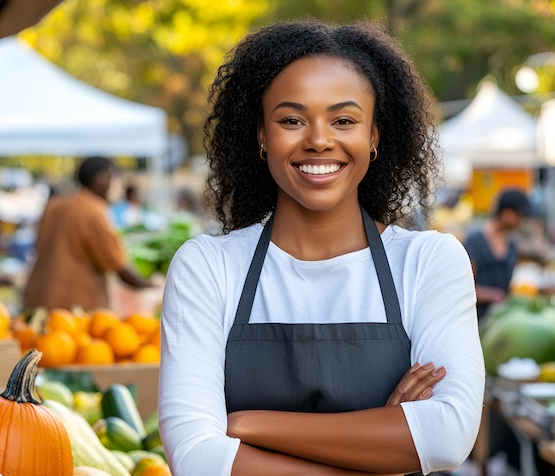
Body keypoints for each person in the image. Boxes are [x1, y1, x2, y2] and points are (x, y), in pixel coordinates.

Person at [157, 20, 484, 475]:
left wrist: (248, 425)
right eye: (291, 120)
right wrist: (384, 446)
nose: (318, 139)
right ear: (260, 136)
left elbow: (448, 436)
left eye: (344, 120)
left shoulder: (428, 262)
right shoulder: (207, 268)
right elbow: (196, 460)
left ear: (373, 137)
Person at [23, 156, 152, 311]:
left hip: (38, 300)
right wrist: (150, 284)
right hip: (74, 309)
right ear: (101, 179)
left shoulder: (54, 205)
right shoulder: (94, 211)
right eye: (114, 179)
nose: (116, 186)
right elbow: (119, 265)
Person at [464, 188, 555, 320]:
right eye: (520, 216)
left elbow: (525, 286)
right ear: (507, 213)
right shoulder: (475, 241)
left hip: (501, 319)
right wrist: (496, 296)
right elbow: (464, 288)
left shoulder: (511, 244)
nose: (522, 221)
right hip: (476, 320)